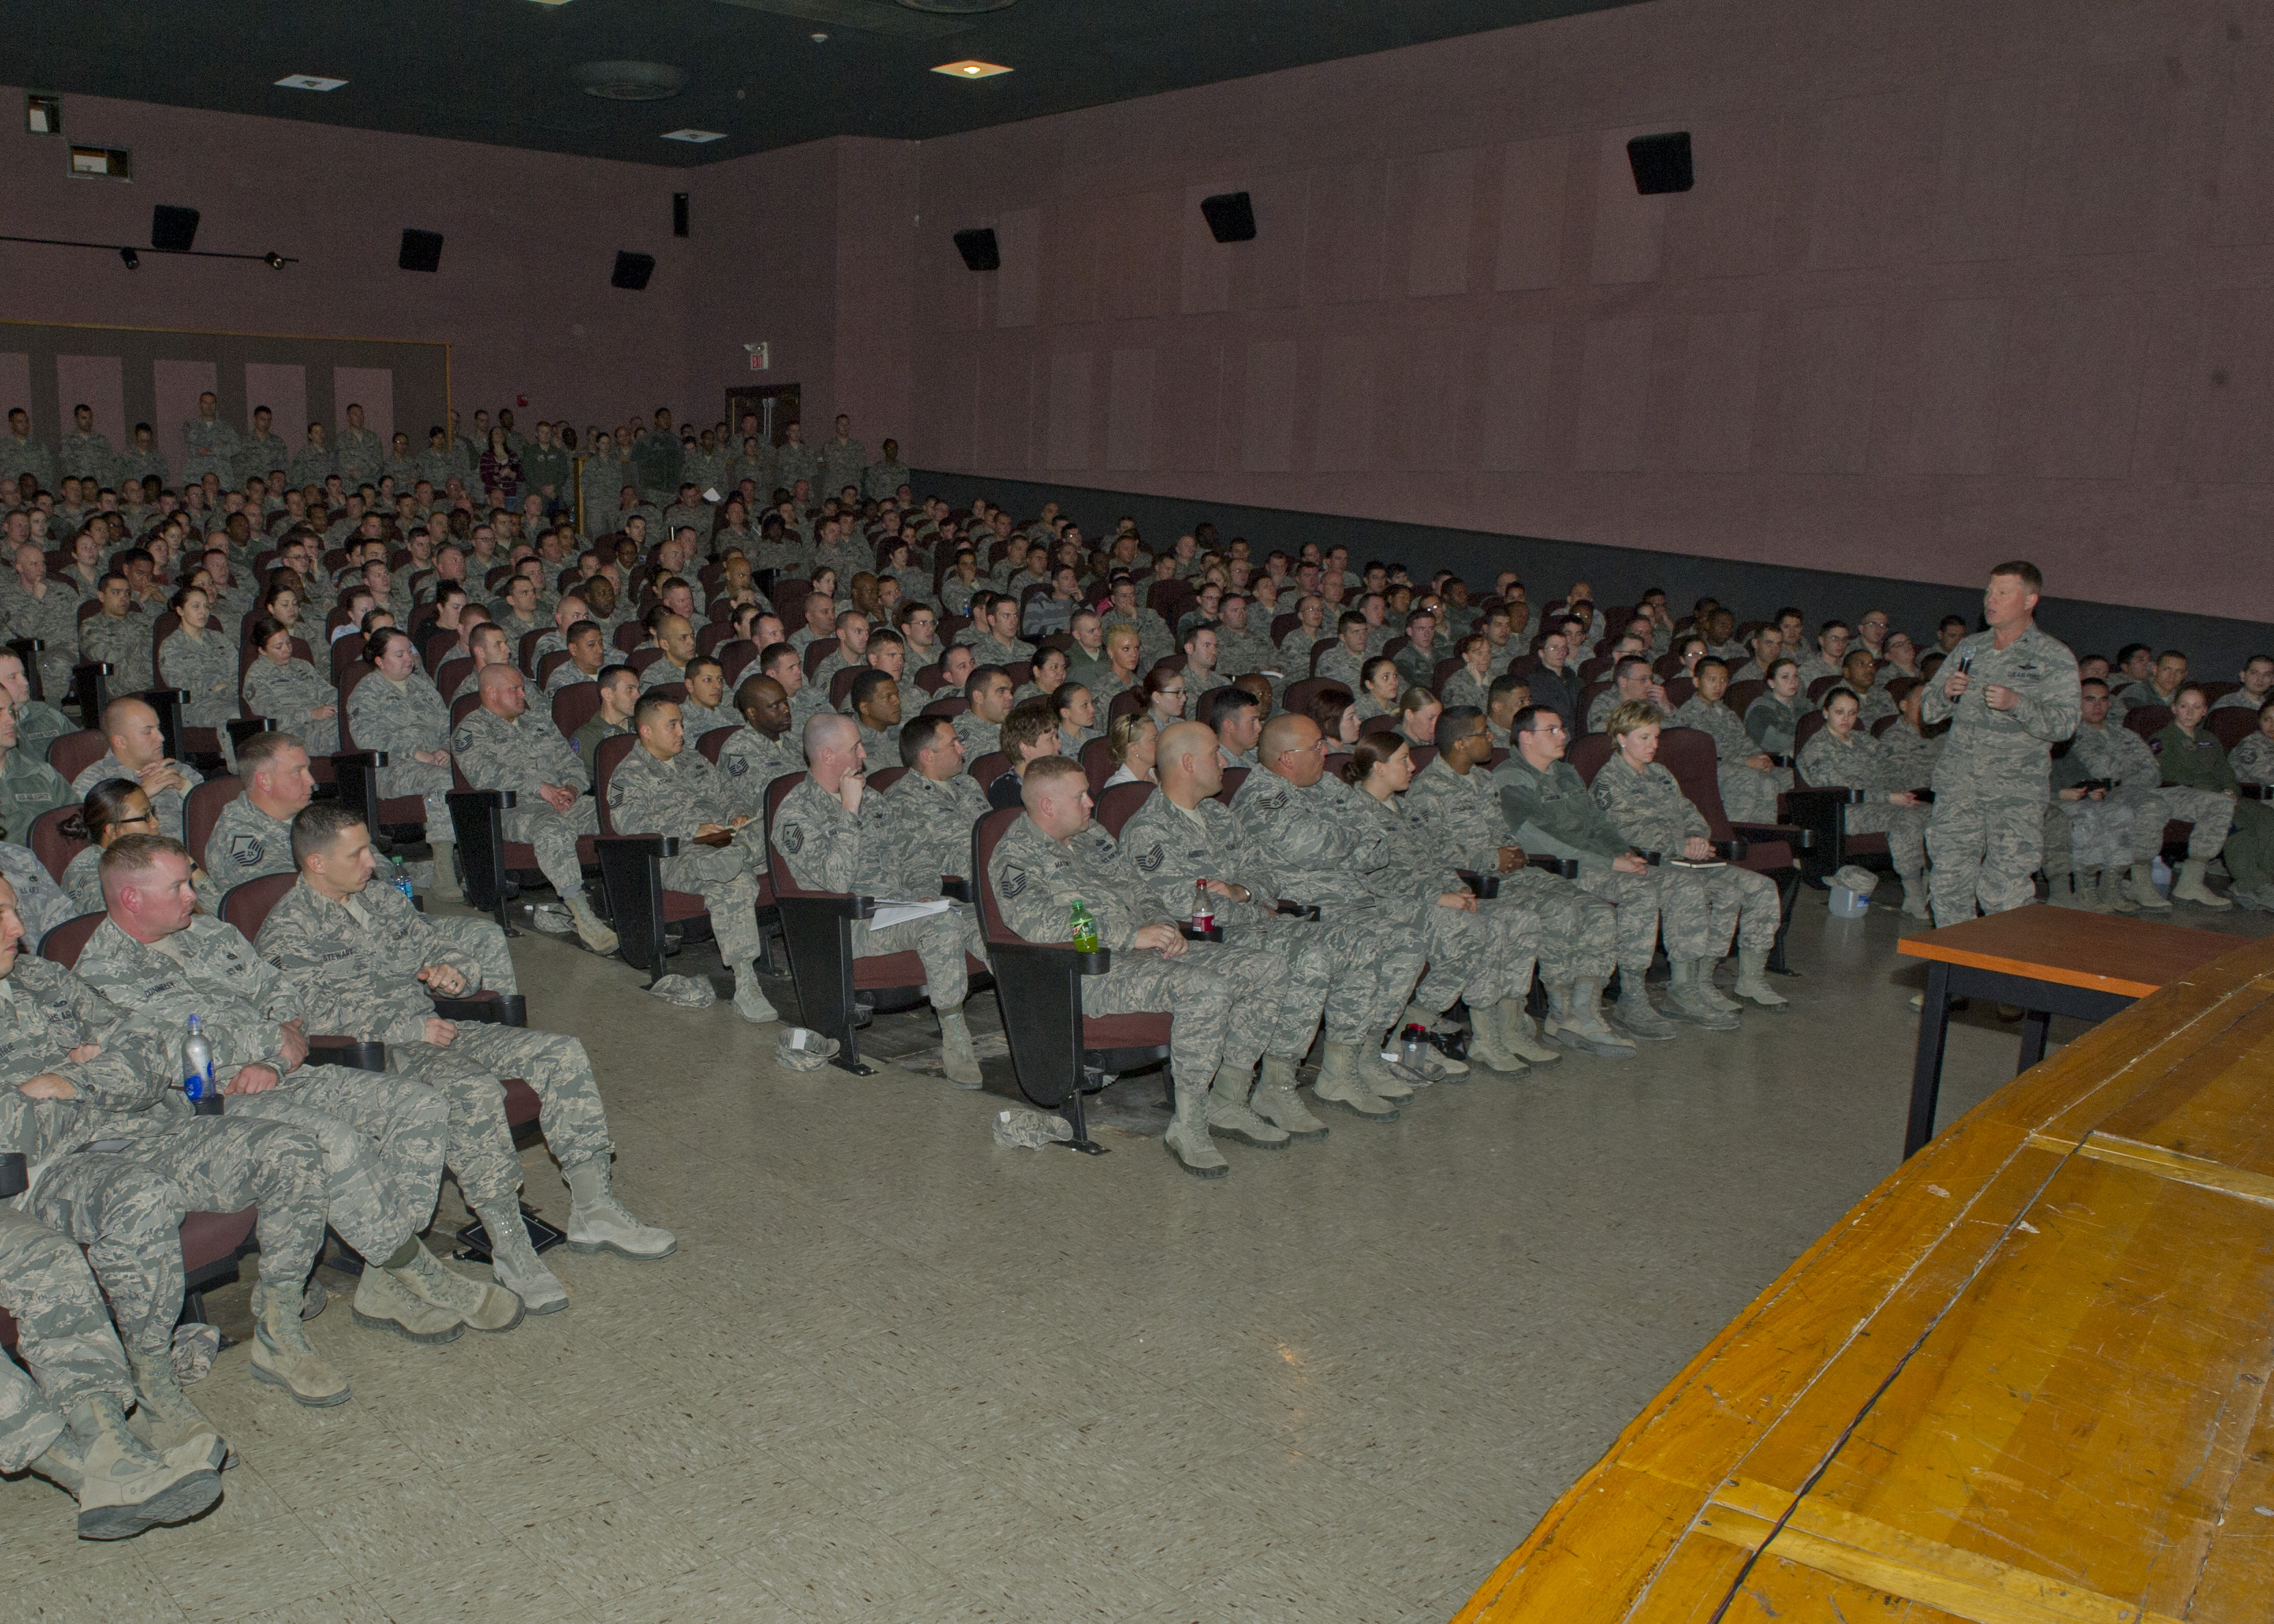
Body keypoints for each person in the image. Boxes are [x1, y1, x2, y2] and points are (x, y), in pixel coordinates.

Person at [74, 835, 504, 1347]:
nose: (194, 893)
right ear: (131, 899)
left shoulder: (211, 933)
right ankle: (415, 1271)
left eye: (190, 879)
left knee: (421, 1105)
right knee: (338, 1140)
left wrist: (276, 1056)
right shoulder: (97, 978)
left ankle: (385, 1276)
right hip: (210, 1109)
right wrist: (270, 1039)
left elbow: (285, 995)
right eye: (179, 885)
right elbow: (165, 1055)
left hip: (282, 1072)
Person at [258, 802, 672, 1311]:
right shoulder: (287, 929)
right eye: (358, 852)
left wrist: (453, 973)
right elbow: (305, 1021)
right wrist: (408, 1026)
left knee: (560, 1052)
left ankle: (595, 1208)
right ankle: (509, 1242)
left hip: (436, 1030)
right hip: (373, 1056)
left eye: (369, 848)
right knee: (473, 1088)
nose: (372, 861)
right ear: (317, 863)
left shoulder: (381, 900)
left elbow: (440, 947)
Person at [988, 757, 1260, 1175]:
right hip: (1089, 970)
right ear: (1046, 805)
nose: (1090, 803)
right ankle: (1189, 1124)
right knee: (1207, 988)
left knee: (1263, 968)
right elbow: (1038, 923)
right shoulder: (1015, 855)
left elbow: (1141, 889)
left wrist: (1165, 928)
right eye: (1080, 796)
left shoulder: (1092, 836)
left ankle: (1230, 1101)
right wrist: (1127, 935)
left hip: (1141, 952)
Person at [1227, 713, 1449, 1110]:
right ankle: (1336, 1074)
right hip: (1313, 909)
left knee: (1410, 941)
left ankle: (1361, 1057)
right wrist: (1350, 841)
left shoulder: (1327, 784)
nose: (1326, 752)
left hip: (1359, 900)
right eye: (1315, 747)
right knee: (1372, 943)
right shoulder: (1262, 796)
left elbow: (1380, 845)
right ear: (1286, 758)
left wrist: (1340, 842)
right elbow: (1308, 848)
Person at [773, 715, 988, 1086]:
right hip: (849, 923)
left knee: (987, 923)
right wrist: (848, 812)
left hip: (903, 910)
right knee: (940, 924)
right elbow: (836, 881)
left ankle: (1044, 1035)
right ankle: (956, 1038)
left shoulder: (872, 797)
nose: (865, 753)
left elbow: (917, 856)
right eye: (855, 748)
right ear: (827, 756)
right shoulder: (795, 815)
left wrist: (925, 891)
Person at [1340, 732, 1542, 1074]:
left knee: (1521, 920)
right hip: (1384, 904)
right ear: (1378, 767)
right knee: (1471, 932)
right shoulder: (1356, 813)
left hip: (1431, 896)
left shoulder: (1403, 808)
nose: (1413, 766)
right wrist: (1439, 897)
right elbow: (1371, 879)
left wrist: (1459, 891)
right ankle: (1408, 1039)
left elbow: (1435, 859)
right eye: (1404, 759)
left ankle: (1496, 1032)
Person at [1492, 705, 1678, 1046]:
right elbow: (1536, 840)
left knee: (1657, 882)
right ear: (1526, 738)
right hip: (1558, 869)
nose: (1564, 735)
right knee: (1635, 894)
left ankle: (1586, 1010)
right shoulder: (1510, 779)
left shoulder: (1566, 773)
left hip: (1594, 861)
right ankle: (1614, 1003)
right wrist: (1609, 863)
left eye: (1563, 727)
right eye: (1553, 730)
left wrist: (1622, 851)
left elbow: (1598, 823)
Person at [1591, 701, 1785, 1023]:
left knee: (1761, 887)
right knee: (1713, 892)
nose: (1654, 745)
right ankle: (1685, 987)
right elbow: (1625, 831)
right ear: (1622, 738)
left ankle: (1742, 980)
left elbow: (1689, 812)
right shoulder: (1610, 781)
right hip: (1649, 863)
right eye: (1644, 737)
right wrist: (1679, 844)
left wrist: (1696, 836)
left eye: (1656, 737)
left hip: (1685, 859)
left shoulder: (1661, 773)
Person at [1921, 563, 2081, 928]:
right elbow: (1928, 712)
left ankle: (2000, 978)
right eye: (1989, 592)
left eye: (2003, 593)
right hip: (1960, 785)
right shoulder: (1970, 648)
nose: (1991, 600)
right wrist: (1945, 693)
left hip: (2015, 792)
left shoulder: (2053, 656)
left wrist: (2018, 704)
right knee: (1949, 881)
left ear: (2029, 600)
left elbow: (2066, 724)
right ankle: (1954, 974)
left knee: (2005, 888)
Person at [605, 693, 779, 1021]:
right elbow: (627, 825)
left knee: (776, 831)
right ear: (646, 731)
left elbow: (727, 794)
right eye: (672, 725)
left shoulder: (694, 760)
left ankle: (739, 853)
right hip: (675, 855)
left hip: (722, 840)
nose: (681, 731)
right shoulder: (629, 774)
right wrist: (690, 828)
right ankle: (746, 983)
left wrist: (738, 814)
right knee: (733, 881)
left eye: (681, 723)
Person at [450, 664, 620, 952]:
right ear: (490, 692)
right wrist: (540, 788)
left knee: (616, 810)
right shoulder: (470, 730)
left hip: (563, 802)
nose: (522, 694)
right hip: (512, 811)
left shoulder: (538, 721)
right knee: (552, 828)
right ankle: (582, 914)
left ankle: (633, 907)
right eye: (514, 689)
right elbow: (485, 775)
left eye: (522, 688)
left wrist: (572, 789)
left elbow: (572, 763)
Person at [2067, 676, 2233, 911]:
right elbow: (2101, 770)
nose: (2098, 705)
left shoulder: (2125, 734)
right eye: (2090, 699)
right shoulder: (2073, 735)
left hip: (2147, 789)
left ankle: (2191, 882)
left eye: (2104, 700)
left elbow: (2153, 771)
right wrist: (2131, 771)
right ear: (2077, 702)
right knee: (2152, 806)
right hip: (2110, 794)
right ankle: (2141, 882)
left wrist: (2126, 772)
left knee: (2219, 804)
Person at [1796, 686, 1931, 918]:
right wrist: (1890, 798)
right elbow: (1842, 790)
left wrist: (1903, 792)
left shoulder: (1862, 740)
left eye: (1852, 713)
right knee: (1906, 819)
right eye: (1840, 712)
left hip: (1881, 803)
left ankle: (1932, 885)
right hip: (1846, 811)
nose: (1846, 719)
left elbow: (1890, 768)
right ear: (1826, 712)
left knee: (1933, 814)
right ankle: (1914, 892)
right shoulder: (1817, 748)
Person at [346, 628, 461, 900]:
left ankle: (475, 863)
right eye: (399, 654)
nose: (409, 658)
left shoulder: (423, 686)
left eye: (410, 651)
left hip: (434, 762)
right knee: (443, 781)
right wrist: (416, 753)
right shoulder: (366, 692)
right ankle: (444, 871)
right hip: (390, 770)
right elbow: (367, 738)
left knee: (471, 774)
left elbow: (448, 725)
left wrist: (445, 748)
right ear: (380, 660)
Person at [2152, 685, 2274, 911]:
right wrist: (2213, 793)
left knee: (2268, 816)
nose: (2190, 712)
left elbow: (2226, 772)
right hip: (2190, 798)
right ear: (2174, 709)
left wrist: (2230, 790)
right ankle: (2249, 884)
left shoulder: (2210, 739)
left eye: (2197, 707)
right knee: (2239, 825)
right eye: (2184, 706)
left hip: (2220, 796)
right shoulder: (2162, 740)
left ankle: (2269, 881)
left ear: (2204, 712)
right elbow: (2166, 776)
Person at [70, 698, 203, 844]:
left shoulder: (178, 771)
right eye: (147, 732)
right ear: (120, 742)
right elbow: (90, 836)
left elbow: (215, 821)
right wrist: (141, 794)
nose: (161, 737)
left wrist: (186, 789)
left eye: (158, 728)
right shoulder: (93, 781)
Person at [157, 586, 238, 751]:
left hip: (231, 696)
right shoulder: (171, 646)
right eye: (196, 606)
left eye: (206, 606)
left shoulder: (219, 639)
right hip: (196, 706)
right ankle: (241, 767)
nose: (203, 612)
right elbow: (180, 688)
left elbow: (238, 672)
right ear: (180, 610)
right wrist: (213, 688)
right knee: (237, 716)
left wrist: (228, 689)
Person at [575, 663, 640, 774]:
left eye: (638, 689)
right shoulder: (586, 738)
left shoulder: (643, 726)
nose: (638, 695)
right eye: (630, 689)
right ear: (607, 694)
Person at [1103, 712, 1157, 788]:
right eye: (1154, 739)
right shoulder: (1119, 788)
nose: (1160, 743)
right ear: (1133, 748)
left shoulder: (1160, 776)